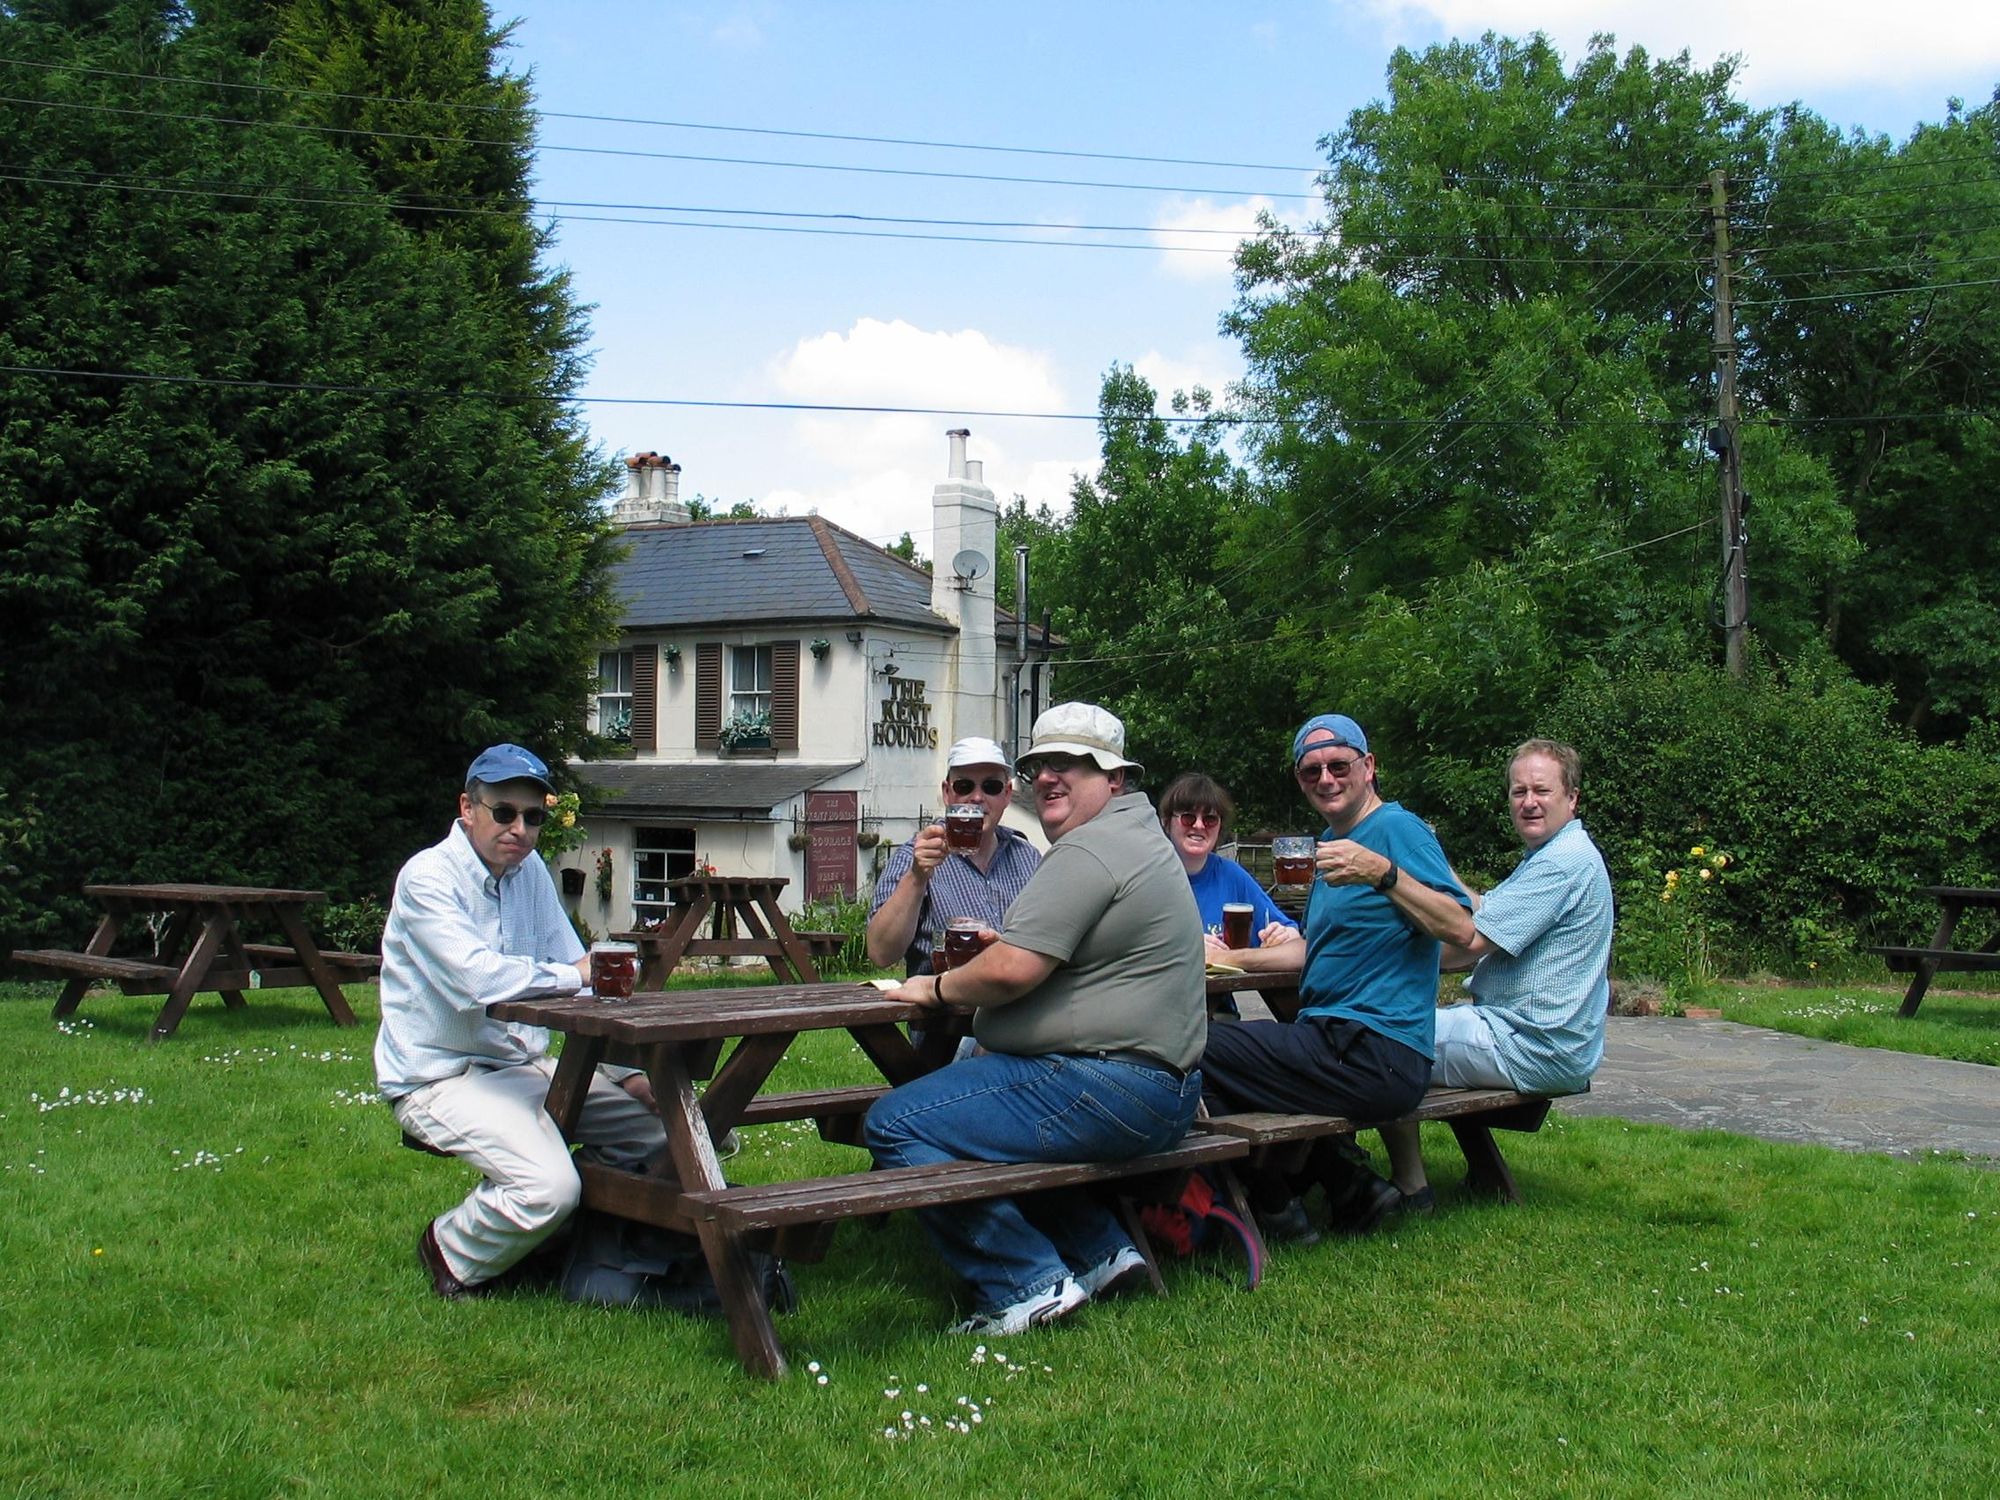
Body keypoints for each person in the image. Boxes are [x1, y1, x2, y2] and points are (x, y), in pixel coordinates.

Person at [863, 703, 1206, 1335]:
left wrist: (932, 989)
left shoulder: (1088, 851)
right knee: (985, 1110)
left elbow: (1012, 970)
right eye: (1042, 765)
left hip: (1113, 1088)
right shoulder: (1138, 840)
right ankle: (1103, 1250)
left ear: (1115, 779)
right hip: (1168, 1092)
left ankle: (1025, 1284)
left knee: (893, 1121)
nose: (1050, 777)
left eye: (1072, 765)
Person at [375, 743, 666, 1300]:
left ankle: (579, 1242)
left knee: (668, 1133)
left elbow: (579, 977)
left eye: (533, 817)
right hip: (439, 1075)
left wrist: (623, 1072)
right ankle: (450, 1250)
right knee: (548, 1187)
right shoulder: (427, 879)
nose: (520, 829)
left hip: (523, 1063)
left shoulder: (529, 870)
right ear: (468, 808)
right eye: (504, 812)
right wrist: (571, 971)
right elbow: (478, 982)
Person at [1200, 713, 1471, 1239]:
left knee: (1193, 1048)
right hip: (1333, 1039)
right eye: (1311, 771)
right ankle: (1346, 1187)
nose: (1326, 779)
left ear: (1368, 767)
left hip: (1377, 1050)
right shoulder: (1330, 844)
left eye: (1338, 765)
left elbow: (1459, 927)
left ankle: (1277, 1199)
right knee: (1227, 1057)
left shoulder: (1395, 829)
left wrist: (1384, 873)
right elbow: (1321, 953)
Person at [1376, 740, 1613, 1202]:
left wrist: (1379, 954)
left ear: (1573, 798)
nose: (1528, 802)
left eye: (1541, 791)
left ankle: (1408, 1183)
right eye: (1518, 791)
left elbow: (1469, 942)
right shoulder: (1554, 855)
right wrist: (1437, 863)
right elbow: (1483, 913)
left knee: (1380, 1037)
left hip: (1530, 1045)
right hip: (1545, 1040)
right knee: (1377, 1030)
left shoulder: (1563, 864)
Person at [866, 736, 1042, 975]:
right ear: (947, 793)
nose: (977, 797)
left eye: (991, 786)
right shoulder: (916, 856)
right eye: (964, 786)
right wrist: (917, 878)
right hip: (946, 1008)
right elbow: (880, 953)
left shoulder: (1026, 857)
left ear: (1007, 794)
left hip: (1020, 1006)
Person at [1156, 770, 1300, 951]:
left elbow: (1292, 933)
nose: (1199, 825)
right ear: (1166, 822)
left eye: (1210, 819)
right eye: (1188, 817)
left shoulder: (1232, 875)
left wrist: (1280, 934)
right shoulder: (1148, 877)